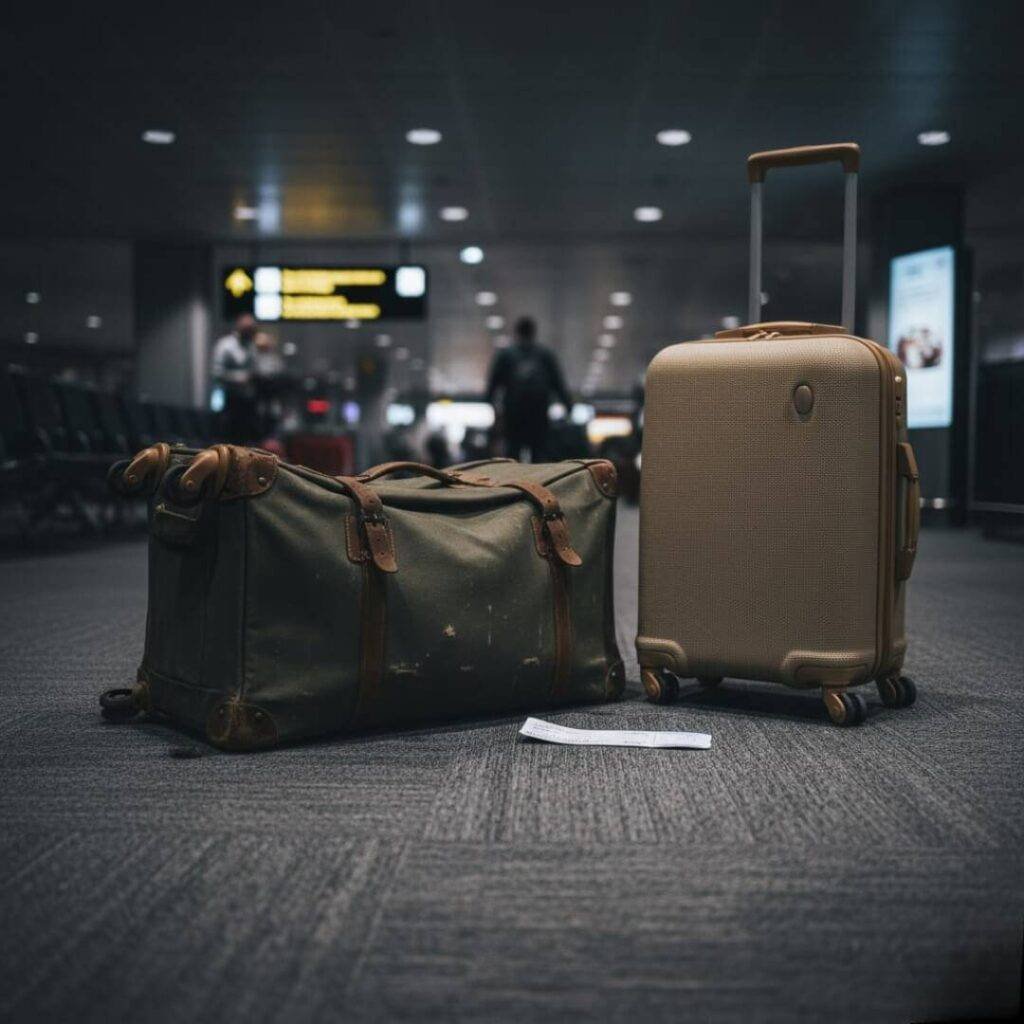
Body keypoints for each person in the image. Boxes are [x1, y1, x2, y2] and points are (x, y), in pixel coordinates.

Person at [485, 317, 572, 461]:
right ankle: (538, 482)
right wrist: (568, 406)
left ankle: (513, 482)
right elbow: (558, 384)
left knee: (513, 453)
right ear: (534, 332)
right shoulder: (545, 355)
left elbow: (493, 385)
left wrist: (494, 409)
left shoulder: (506, 355)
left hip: (513, 414)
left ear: (517, 332)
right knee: (539, 454)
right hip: (538, 413)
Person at [211, 314, 259, 443]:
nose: (251, 334)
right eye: (249, 331)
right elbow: (217, 373)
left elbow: (254, 369)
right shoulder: (225, 345)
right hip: (231, 401)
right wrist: (241, 377)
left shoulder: (251, 346)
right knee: (230, 441)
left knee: (247, 441)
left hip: (248, 401)